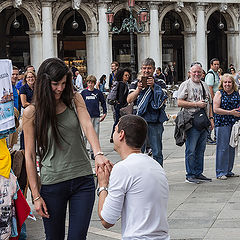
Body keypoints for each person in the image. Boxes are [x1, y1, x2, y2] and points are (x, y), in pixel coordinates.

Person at [23, 58, 112, 239]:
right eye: (55, 84)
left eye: (64, 83)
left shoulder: (74, 99)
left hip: (83, 180)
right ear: (44, 82)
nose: (60, 88)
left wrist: (98, 153)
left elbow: (87, 125)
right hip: (52, 183)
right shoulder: (31, 113)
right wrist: (35, 195)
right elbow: (29, 156)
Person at [97, 115, 170, 240]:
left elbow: (107, 220)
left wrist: (103, 185)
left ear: (121, 135)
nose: (113, 134)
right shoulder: (155, 165)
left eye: (115, 130)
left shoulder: (123, 168)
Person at [127, 58, 168, 166]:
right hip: (138, 120)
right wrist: (138, 90)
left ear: (154, 69)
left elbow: (163, 98)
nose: (146, 70)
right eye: (144, 68)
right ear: (141, 69)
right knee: (138, 151)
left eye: (149, 68)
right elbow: (129, 99)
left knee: (157, 151)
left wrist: (154, 86)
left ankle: (158, 176)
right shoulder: (135, 82)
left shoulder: (160, 82)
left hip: (155, 121)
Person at [177, 62, 213, 184]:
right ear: (190, 73)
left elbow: (209, 103)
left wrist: (211, 119)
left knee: (201, 149)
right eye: (194, 72)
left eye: (199, 72)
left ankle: (198, 172)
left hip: (203, 121)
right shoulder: (186, 85)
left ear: (203, 73)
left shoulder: (204, 85)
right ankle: (190, 174)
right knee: (191, 149)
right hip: (191, 121)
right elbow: (179, 102)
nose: (197, 74)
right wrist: (196, 104)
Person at [213, 74, 240, 180]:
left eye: (229, 82)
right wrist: (230, 112)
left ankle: (228, 170)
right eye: (225, 82)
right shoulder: (219, 93)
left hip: (234, 124)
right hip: (222, 123)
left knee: (231, 147)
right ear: (222, 84)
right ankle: (220, 172)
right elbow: (215, 109)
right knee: (222, 148)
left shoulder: (236, 93)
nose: (227, 84)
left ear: (233, 83)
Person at [81, 75, 107, 160]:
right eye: (89, 82)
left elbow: (103, 102)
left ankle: (93, 152)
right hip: (86, 117)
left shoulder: (98, 93)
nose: (90, 84)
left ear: (94, 83)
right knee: (85, 135)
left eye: (92, 82)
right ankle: (83, 152)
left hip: (96, 116)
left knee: (95, 135)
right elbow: (80, 104)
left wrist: (104, 113)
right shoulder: (84, 93)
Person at [110, 68, 131, 143]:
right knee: (118, 121)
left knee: (118, 120)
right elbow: (121, 96)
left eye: (128, 75)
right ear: (122, 76)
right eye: (125, 75)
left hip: (118, 104)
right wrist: (122, 104)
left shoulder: (123, 83)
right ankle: (114, 135)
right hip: (120, 105)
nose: (127, 77)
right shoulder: (122, 84)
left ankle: (114, 135)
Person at [19, 70, 36, 150]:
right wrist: (35, 105)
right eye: (28, 77)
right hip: (27, 112)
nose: (30, 78)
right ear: (25, 79)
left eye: (32, 77)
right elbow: (24, 103)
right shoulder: (23, 88)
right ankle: (23, 148)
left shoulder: (37, 88)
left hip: (36, 111)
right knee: (25, 131)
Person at [205, 58, 220, 144]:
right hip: (213, 101)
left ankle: (213, 136)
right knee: (211, 118)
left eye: (218, 64)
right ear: (211, 65)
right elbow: (210, 88)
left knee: (214, 118)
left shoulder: (215, 74)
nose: (217, 66)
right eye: (215, 64)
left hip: (215, 100)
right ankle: (207, 136)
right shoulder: (211, 75)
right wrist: (213, 100)